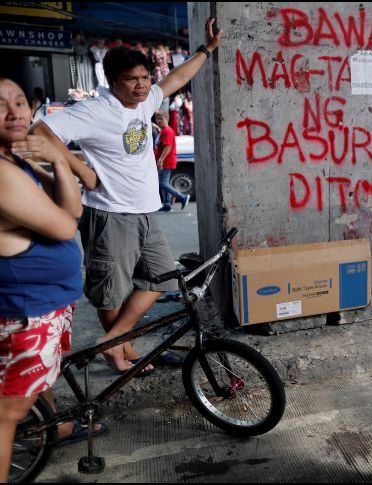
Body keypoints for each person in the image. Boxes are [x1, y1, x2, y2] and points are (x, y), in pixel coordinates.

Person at [31, 17, 221, 373]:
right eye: (131, 80)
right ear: (112, 81)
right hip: (109, 214)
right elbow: (38, 133)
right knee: (111, 292)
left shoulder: (146, 99)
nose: (141, 86)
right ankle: (121, 352)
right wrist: (82, 170)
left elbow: (176, 78)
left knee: (161, 277)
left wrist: (205, 50)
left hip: (146, 212)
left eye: (145, 78)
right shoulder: (95, 111)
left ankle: (114, 339)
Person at [0, 77, 84, 482]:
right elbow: (67, 226)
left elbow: (74, 207)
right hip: (24, 315)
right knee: (5, 418)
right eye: (1, 104)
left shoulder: (15, 161)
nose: (15, 111)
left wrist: (57, 157)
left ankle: (52, 427)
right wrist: (58, 159)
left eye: (20, 101)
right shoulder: (3, 173)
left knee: (19, 406)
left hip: (39, 310)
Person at [154, 111, 190, 211]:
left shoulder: (167, 131)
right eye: (157, 119)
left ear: (167, 119)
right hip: (164, 161)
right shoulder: (163, 130)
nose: (159, 121)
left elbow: (168, 147)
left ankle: (182, 197)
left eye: (161, 119)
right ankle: (167, 204)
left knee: (162, 183)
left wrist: (161, 160)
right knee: (164, 183)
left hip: (166, 161)